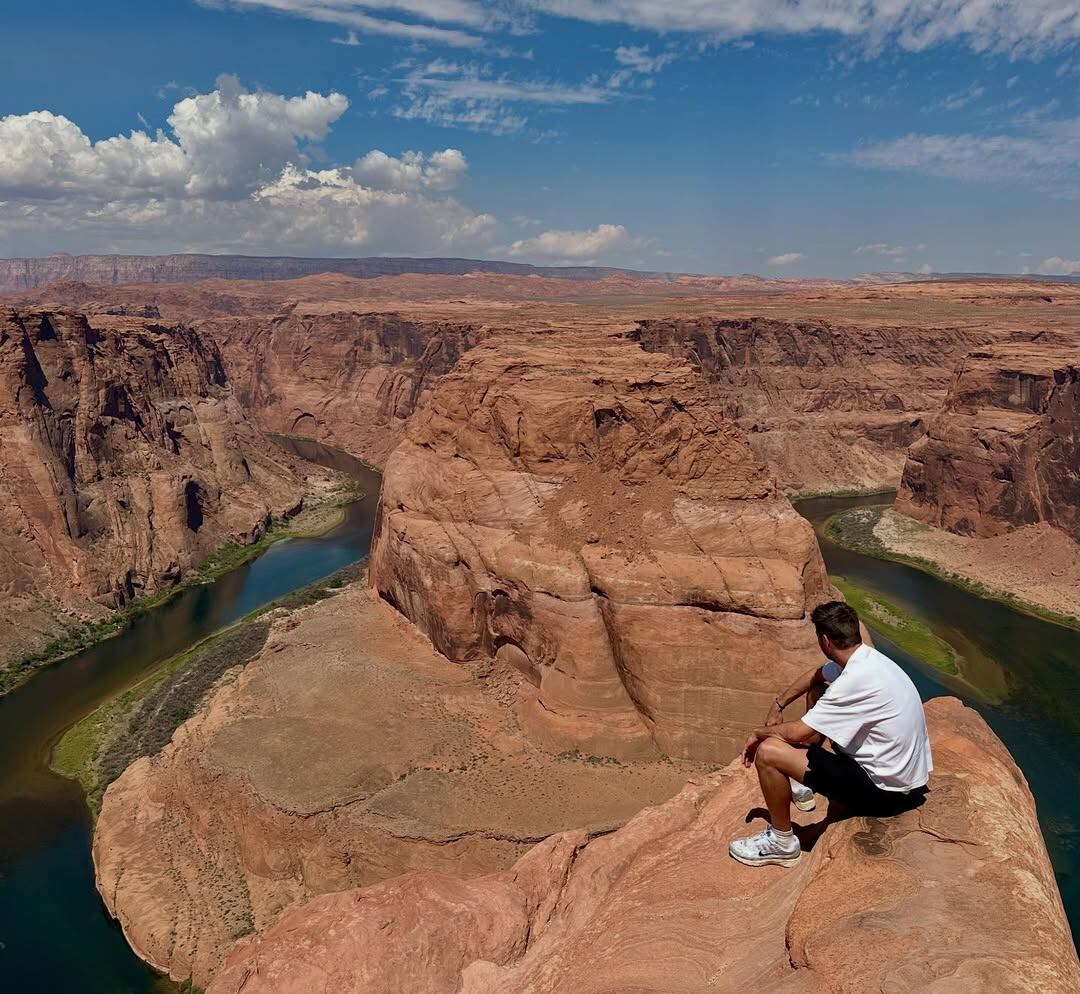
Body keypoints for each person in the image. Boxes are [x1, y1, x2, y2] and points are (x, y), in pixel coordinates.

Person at [728, 600, 932, 868]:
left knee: (768, 751)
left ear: (824, 641)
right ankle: (802, 775)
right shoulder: (867, 660)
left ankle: (782, 843)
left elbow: (798, 733)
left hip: (885, 794)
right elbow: (816, 675)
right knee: (818, 690)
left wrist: (759, 732)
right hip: (908, 782)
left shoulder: (853, 681)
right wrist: (779, 703)